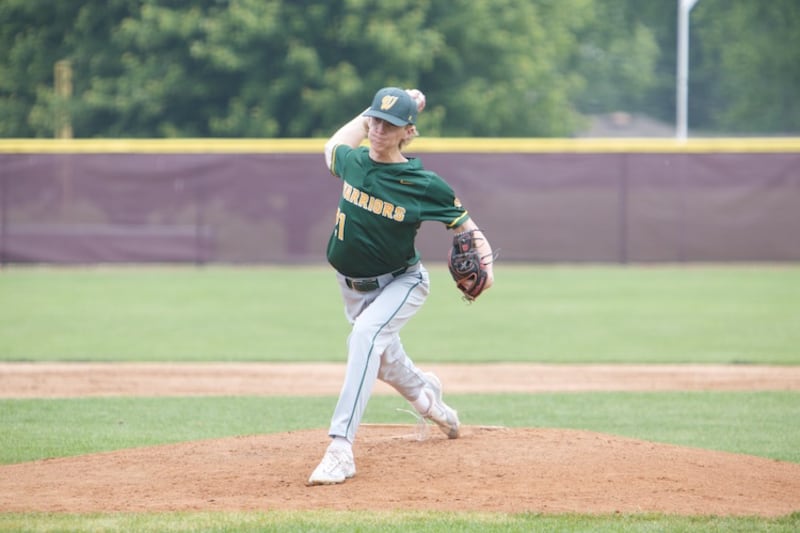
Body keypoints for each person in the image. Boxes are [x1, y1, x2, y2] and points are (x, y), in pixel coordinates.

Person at [308, 87, 495, 485]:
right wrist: (372, 112)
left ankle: (341, 448)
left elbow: (465, 225)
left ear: (407, 132)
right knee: (385, 363)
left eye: (389, 124)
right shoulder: (353, 161)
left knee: (364, 338)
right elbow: (332, 146)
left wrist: (487, 262)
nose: (377, 130)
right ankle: (431, 400)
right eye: (374, 120)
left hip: (403, 282)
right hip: (351, 287)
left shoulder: (424, 184)